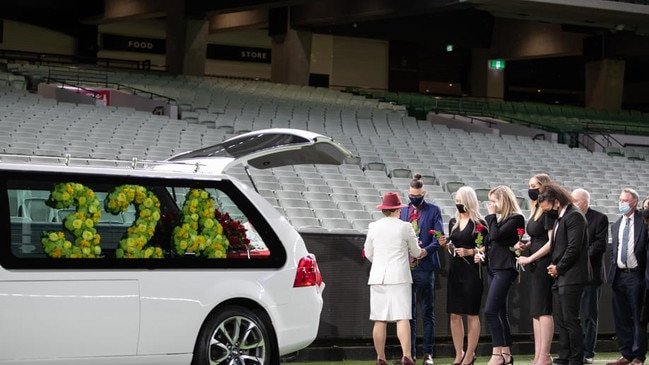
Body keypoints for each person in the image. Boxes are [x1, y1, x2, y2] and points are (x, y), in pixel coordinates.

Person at [365, 192, 428, 365]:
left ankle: (380, 358)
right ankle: (406, 356)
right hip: (399, 277)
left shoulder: (373, 227)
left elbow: (369, 253)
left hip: (378, 277)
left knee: (379, 319)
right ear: (397, 210)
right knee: (402, 317)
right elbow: (415, 252)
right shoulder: (405, 227)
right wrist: (421, 252)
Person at [537, 183, 589, 365]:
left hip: (572, 276)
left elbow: (573, 248)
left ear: (557, 202)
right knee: (561, 319)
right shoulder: (561, 217)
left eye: (547, 208)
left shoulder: (574, 216)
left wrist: (559, 267)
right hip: (561, 276)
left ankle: (576, 358)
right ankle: (565, 355)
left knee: (571, 319)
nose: (546, 212)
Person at [399, 174, 444, 365]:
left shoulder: (434, 210)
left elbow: (439, 237)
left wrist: (425, 251)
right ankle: (409, 354)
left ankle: (428, 354)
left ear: (423, 193)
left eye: (416, 195)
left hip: (425, 267)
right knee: (408, 313)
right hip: (405, 268)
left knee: (427, 311)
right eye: (411, 195)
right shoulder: (402, 211)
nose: (413, 198)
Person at [438, 186, 486, 365]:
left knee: (472, 314)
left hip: (473, 272)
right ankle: (459, 353)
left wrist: (470, 251)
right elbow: (453, 248)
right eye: (456, 201)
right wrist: (446, 245)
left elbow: (485, 248)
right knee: (454, 314)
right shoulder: (453, 222)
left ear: (469, 201)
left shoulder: (480, 223)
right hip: (456, 271)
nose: (458, 204)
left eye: (461, 201)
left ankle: (470, 354)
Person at [481, 185, 525, 365]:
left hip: (505, 269)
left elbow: (496, 236)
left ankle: (497, 352)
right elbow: (491, 240)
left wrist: (490, 217)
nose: (491, 205)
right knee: (500, 311)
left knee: (490, 310)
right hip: (493, 267)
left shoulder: (516, 218)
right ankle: (506, 353)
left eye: (494, 201)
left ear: (503, 200)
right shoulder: (500, 219)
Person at [515, 173, 555, 365]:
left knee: (544, 309)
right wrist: (527, 245)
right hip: (534, 263)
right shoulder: (536, 209)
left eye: (534, 186)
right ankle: (539, 355)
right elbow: (537, 239)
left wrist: (530, 256)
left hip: (543, 262)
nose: (531, 189)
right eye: (529, 185)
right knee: (536, 310)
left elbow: (551, 241)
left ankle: (545, 355)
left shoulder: (548, 211)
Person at [606, 188, 648, 365]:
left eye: (625, 200)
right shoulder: (616, 224)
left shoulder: (643, 222)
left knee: (637, 317)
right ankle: (626, 353)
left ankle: (638, 356)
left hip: (636, 276)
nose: (621, 203)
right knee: (621, 317)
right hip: (619, 276)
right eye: (620, 200)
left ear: (634, 203)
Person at [571, 188, 609, 365]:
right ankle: (573, 352)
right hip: (572, 275)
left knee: (589, 315)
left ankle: (588, 352)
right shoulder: (570, 217)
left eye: (575, 200)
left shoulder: (600, 218)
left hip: (591, 275)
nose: (572, 204)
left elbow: (599, 245)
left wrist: (579, 256)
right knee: (570, 316)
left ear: (585, 202)